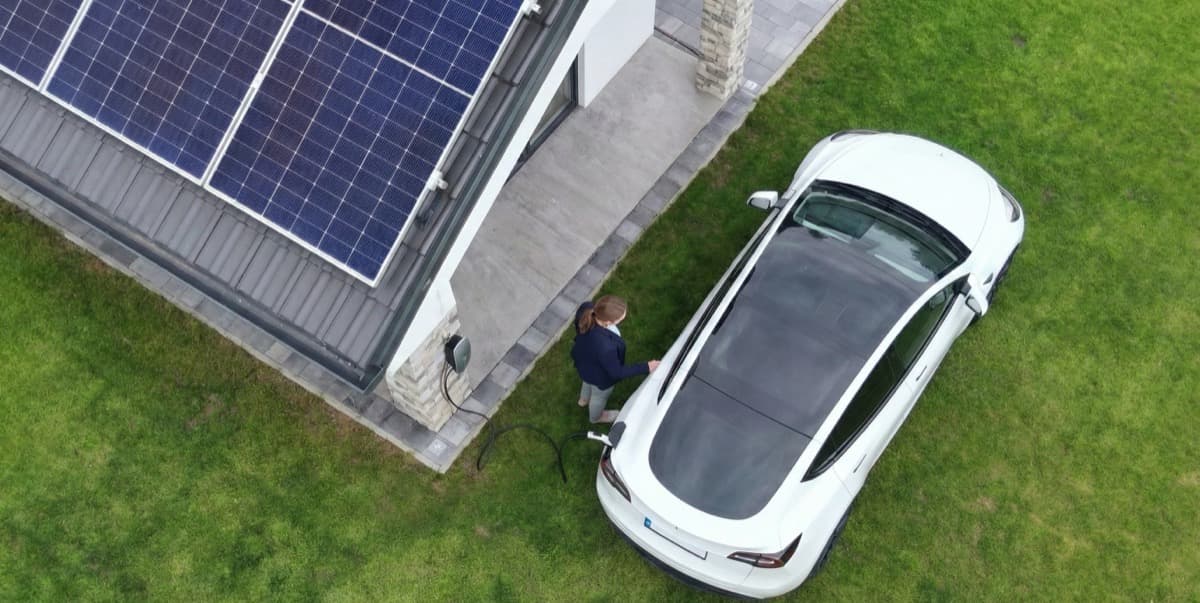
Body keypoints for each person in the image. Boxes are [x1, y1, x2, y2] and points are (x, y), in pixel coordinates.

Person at [571, 295, 660, 423]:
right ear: (608, 322)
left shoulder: (587, 308)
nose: (623, 318)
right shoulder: (606, 347)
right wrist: (646, 366)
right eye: (620, 318)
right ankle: (596, 417)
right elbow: (617, 372)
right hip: (600, 376)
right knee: (599, 396)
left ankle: (583, 400)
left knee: (587, 380)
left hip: (583, 362)